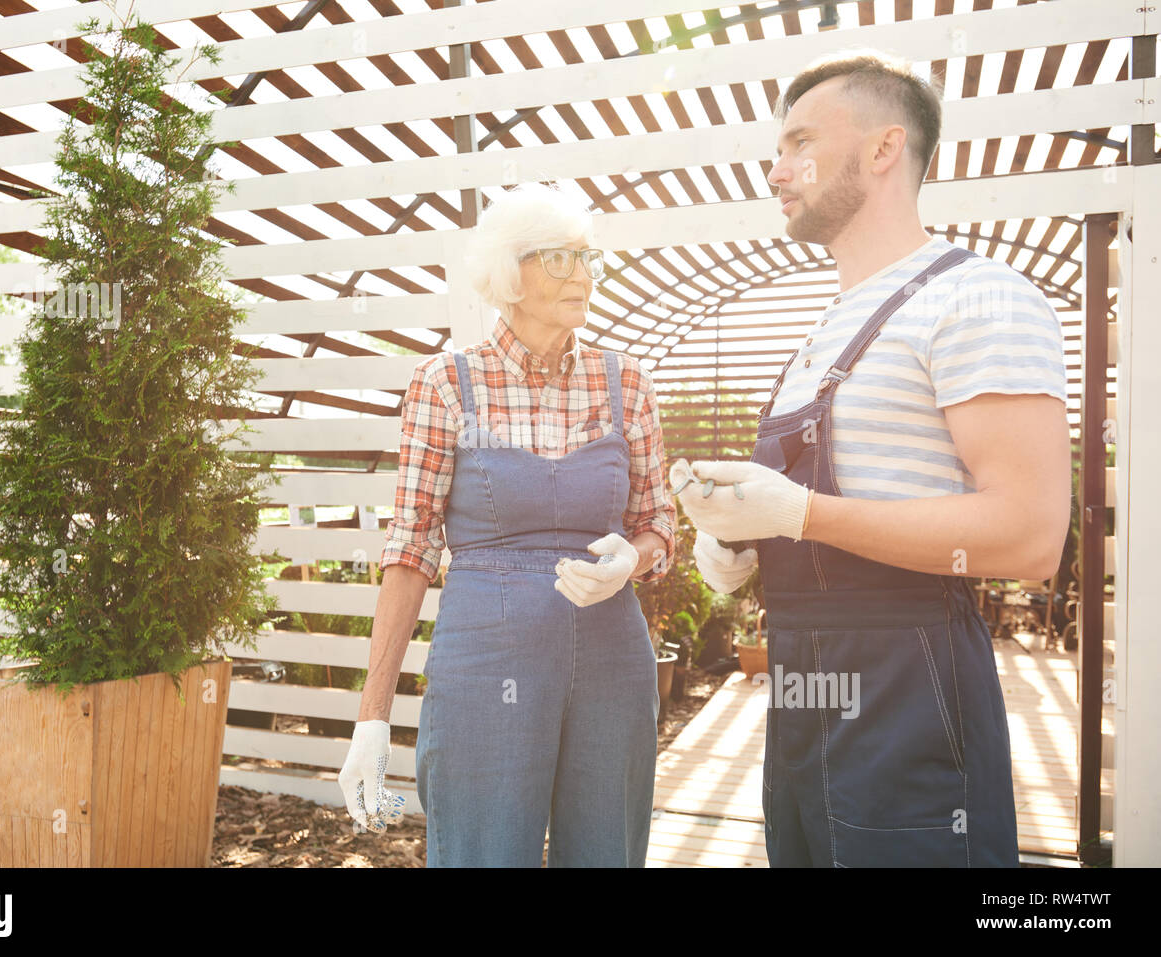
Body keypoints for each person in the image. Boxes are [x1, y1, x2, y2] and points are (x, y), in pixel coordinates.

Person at [675, 51, 1070, 867]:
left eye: (798, 143)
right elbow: (821, 507)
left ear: (885, 149)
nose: (775, 169)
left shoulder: (976, 296)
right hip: (798, 684)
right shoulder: (820, 336)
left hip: (908, 678)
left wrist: (804, 513)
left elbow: (1031, 537)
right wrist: (742, 548)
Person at [337, 182, 677, 867]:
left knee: (608, 853)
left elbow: (658, 524)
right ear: (507, 272)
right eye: (559, 259)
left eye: (587, 258)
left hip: (612, 660)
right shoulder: (445, 384)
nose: (583, 275)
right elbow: (410, 548)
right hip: (485, 666)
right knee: (482, 853)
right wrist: (373, 713)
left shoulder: (626, 383)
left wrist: (631, 562)